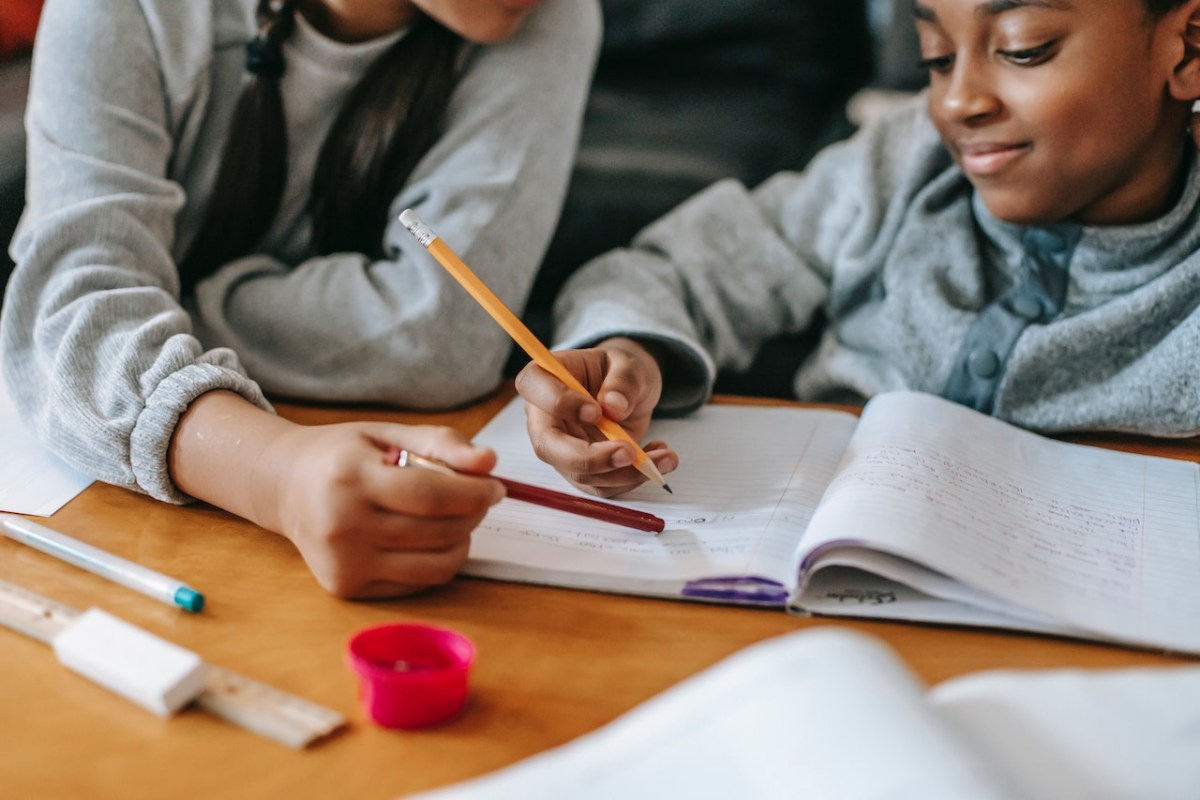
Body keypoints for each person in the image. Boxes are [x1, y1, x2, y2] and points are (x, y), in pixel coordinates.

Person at [0, 0, 600, 597]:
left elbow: (442, 332)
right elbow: (69, 316)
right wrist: (275, 472)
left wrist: (168, 305)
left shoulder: (549, 16)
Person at [515, 0, 1200, 497]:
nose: (958, 101)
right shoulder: (900, 162)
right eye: (936, 56)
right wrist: (631, 354)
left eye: (1023, 48)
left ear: (1188, 48)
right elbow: (669, 269)